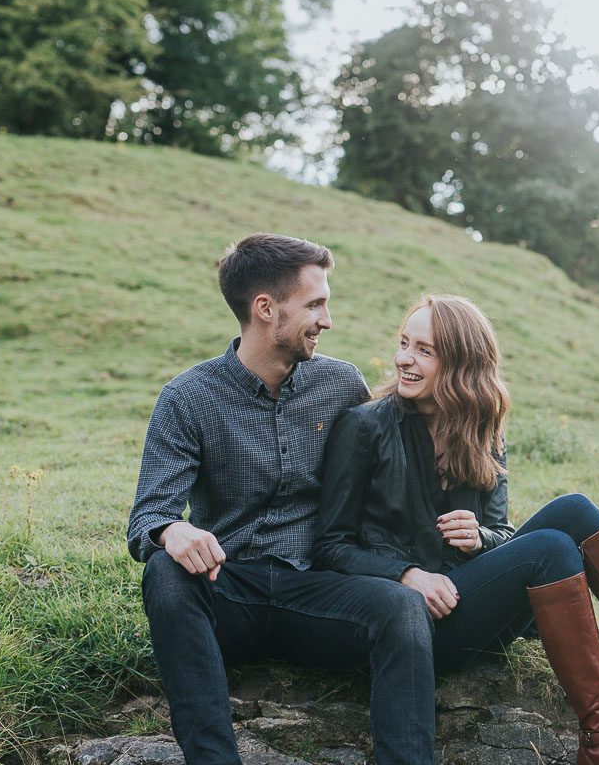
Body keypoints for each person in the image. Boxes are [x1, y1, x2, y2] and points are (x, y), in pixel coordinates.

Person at [313, 295, 599, 765]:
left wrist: (481, 539)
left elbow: (501, 533)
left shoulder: (482, 427)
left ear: (461, 364)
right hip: (413, 623)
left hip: (475, 602)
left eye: (424, 350)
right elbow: (330, 547)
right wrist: (406, 572)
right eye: (404, 343)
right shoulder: (364, 427)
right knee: (553, 547)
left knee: (573, 510)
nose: (403, 359)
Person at [126, 233, 436, 765]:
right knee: (164, 570)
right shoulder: (187, 397)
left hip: (320, 592)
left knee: (401, 609)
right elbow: (147, 516)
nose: (328, 320)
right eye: (315, 304)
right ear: (265, 309)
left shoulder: (341, 385)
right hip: (231, 592)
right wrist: (170, 531)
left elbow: (388, 485)